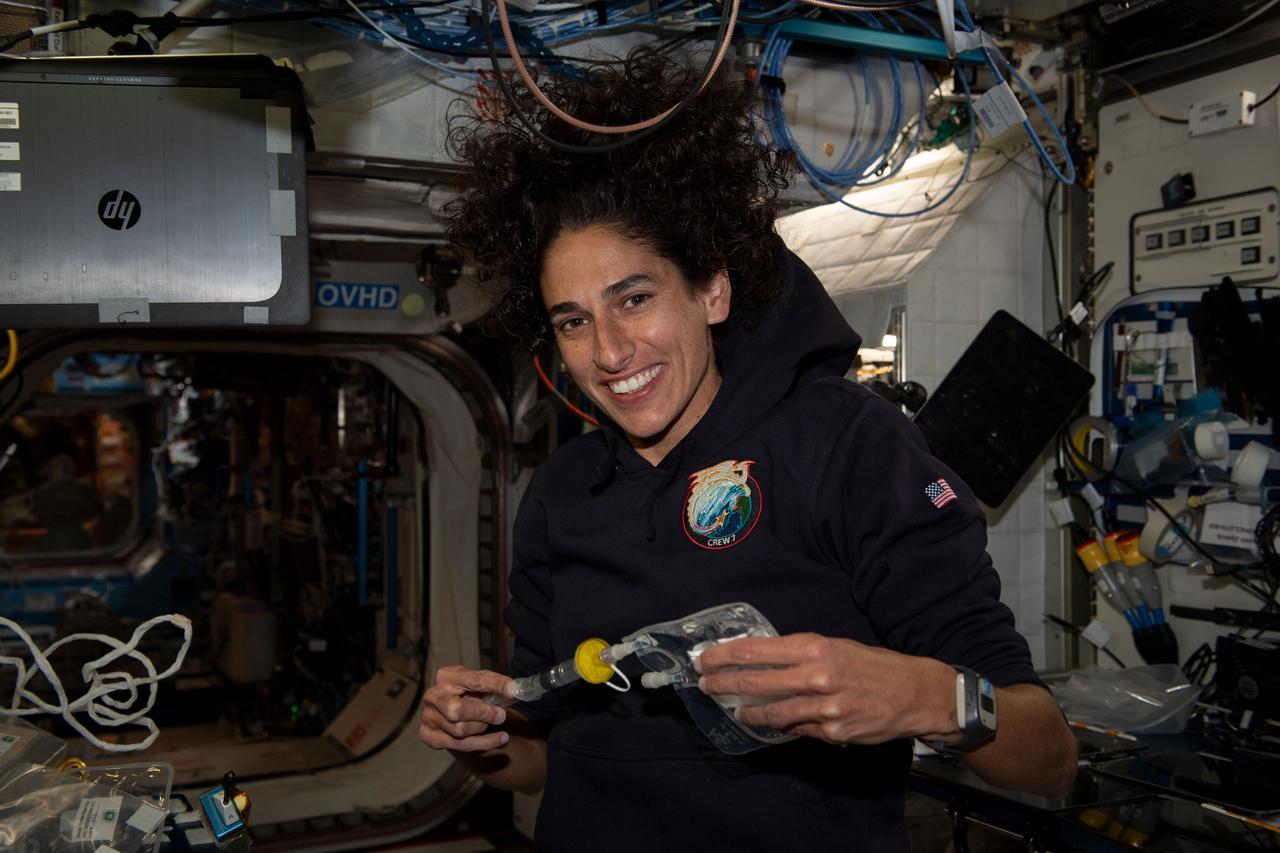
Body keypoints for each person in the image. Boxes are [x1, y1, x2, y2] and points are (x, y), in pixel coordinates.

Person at [419, 49, 1077, 850]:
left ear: (712, 289)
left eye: (635, 298)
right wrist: (481, 738)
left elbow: (1050, 758)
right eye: (573, 321)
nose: (611, 349)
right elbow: (543, 758)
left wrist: (925, 696)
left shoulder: (845, 447)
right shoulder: (563, 493)